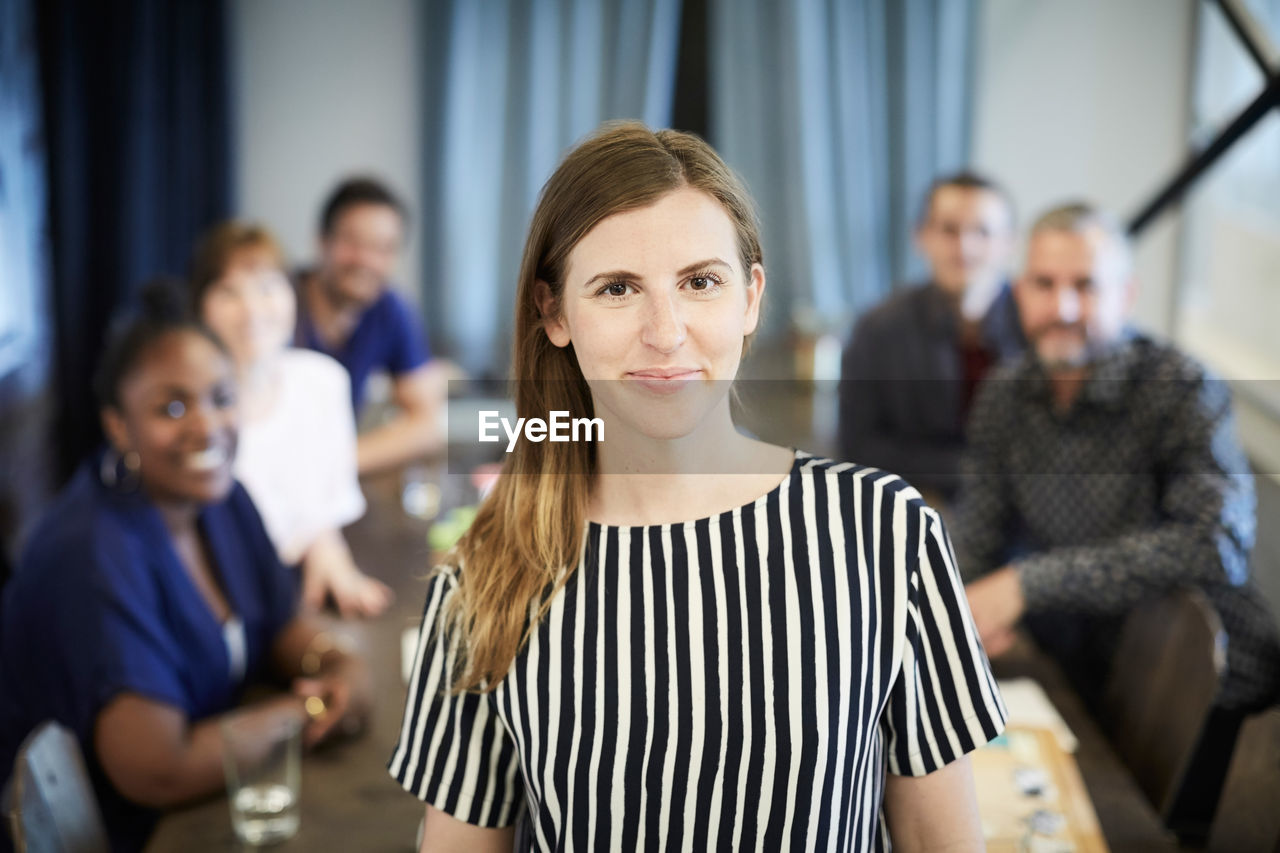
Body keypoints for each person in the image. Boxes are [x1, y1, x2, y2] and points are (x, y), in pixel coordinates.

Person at [388, 122, 1005, 852]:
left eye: (700, 281)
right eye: (617, 288)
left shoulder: (886, 533)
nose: (666, 331)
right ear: (554, 313)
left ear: (750, 297)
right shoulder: (482, 575)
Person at [0, 283, 372, 851]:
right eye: (172, 406)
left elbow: (281, 626)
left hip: (216, 807)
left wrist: (340, 663)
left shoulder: (221, 498)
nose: (207, 426)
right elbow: (156, 769)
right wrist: (314, 708)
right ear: (119, 426)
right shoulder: (93, 555)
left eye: (221, 397)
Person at [956, 202, 1280, 713]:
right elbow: (977, 534)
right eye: (1043, 283)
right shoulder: (1004, 394)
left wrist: (1026, 586)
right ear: (1020, 293)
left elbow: (1218, 542)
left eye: (1085, 286)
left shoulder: (1181, 389)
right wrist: (962, 613)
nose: (1062, 307)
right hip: (1075, 663)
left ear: (1125, 295)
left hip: (1200, 677)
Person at [191, 221, 392, 618]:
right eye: (229, 292)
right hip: (222, 604)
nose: (251, 310)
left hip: (306, 602)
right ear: (200, 308)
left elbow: (324, 513)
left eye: (267, 287)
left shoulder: (323, 381)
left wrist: (327, 547)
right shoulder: (194, 412)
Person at [838, 172, 1023, 502]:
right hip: (914, 506)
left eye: (983, 231)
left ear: (1009, 242)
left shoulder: (1038, 324)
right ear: (921, 236)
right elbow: (858, 445)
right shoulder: (878, 328)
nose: (965, 247)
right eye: (949, 230)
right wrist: (969, 472)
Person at [294, 177, 448, 475]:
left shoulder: (390, 310)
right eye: (352, 242)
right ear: (322, 241)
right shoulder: (276, 306)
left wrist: (333, 465)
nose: (366, 260)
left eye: (383, 248)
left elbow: (428, 425)